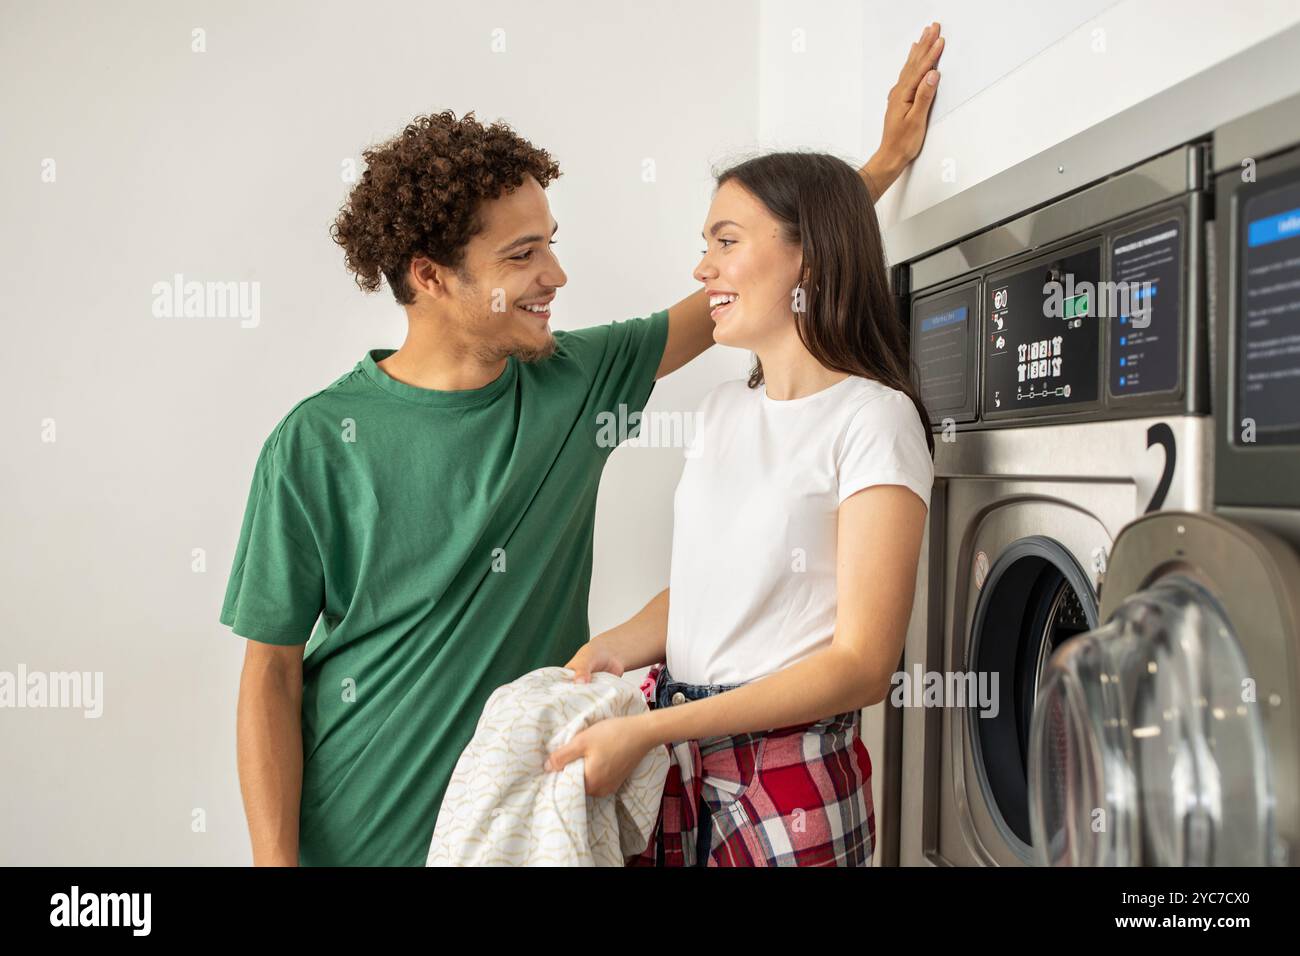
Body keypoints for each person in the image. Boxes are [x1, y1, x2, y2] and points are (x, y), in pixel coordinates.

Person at [220, 23, 943, 867]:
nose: (556, 275)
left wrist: (882, 166)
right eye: (523, 254)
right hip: (355, 838)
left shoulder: (574, 381)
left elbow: (778, 258)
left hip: (530, 828)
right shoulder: (314, 444)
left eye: (550, 243)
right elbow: (268, 676)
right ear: (430, 276)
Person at [545, 30, 945, 867]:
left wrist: (658, 726)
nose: (702, 268)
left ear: (808, 255)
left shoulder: (875, 421)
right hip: (683, 765)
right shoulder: (727, 409)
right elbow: (709, 582)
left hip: (790, 780)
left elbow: (864, 666)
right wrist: (622, 642)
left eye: (726, 240)